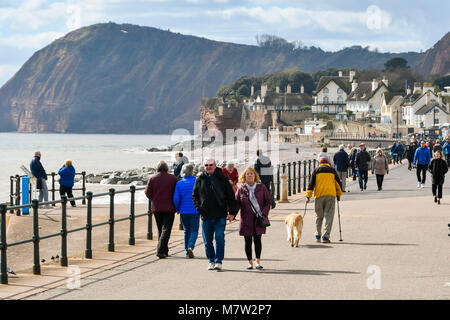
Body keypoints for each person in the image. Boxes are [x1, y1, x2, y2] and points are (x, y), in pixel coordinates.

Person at [192, 159, 237, 271]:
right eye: (206, 165)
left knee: (219, 237)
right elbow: (195, 196)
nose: (208, 167)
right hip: (206, 215)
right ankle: (211, 260)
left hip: (220, 215)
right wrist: (199, 209)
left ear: (215, 166)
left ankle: (218, 261)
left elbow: (231, 196)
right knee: (207, 241)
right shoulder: (200, 179)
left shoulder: (222, 178)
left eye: (210, 165)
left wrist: (232, 213)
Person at [232, 168, 271, 270]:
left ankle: (257, 261)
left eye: (251, 174)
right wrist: (232, 214)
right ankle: (250, 262)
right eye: (247, 174)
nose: (250, 175)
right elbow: (236, 204)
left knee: (258, 240)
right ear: (244, 176)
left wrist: (264, 214)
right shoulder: (241, 189)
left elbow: (268, 201)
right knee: (247, 241)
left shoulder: (261, 187)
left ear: (255, 176)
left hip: (259, 219)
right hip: (246, 219)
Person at [145, 161, 179, 259]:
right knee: (166, 229)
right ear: (167, 168)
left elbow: (147, 192)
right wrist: (177, 205)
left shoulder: (152, 178)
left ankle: (164, 250)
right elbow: (177, 193)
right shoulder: (173, 178)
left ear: (158, 168)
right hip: (169, 207)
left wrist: (153, 199)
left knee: (161, 229)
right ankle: (160, 251)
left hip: (157, 207)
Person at [306, 157, 343, 243]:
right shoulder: (332, 170)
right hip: (330, 195)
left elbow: (311, 184)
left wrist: (308, 196)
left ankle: (318, 234)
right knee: (329, 216)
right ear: (328, 163)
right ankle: (325, 237)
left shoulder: (316, 170)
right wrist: (338, 195)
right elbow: (338, 183)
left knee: (319, 216)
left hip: (319, 196)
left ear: (320, 163)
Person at [173, 164, 199, 258]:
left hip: (183, 210)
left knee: (186, 230)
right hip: (195, 210)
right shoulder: (197, 181)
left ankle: (187, 251)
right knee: (194, 230)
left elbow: (176, 198)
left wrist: (177, 208)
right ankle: (190, 246)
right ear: (192, 172)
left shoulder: (179, 183)